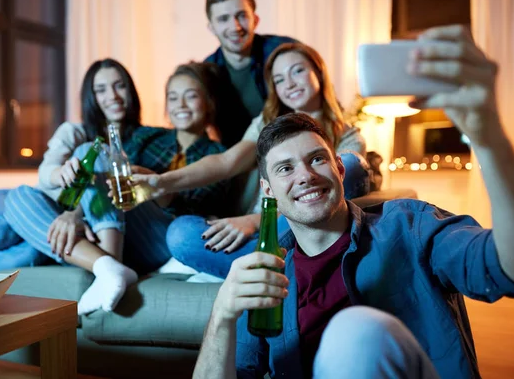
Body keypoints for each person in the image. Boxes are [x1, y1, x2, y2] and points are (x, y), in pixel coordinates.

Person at [192, 25, 514, 379]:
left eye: (317, 159)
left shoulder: (409, 225)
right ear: (268, 190)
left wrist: (488, 137)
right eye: (286, 168)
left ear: (339, 167)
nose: (305, 175)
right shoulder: (267, 275)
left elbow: (509, 269)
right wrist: (223, 312)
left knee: (356, 332)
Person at [8, 62, 229, 315]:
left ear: (208, 103)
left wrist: (155, 182)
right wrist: (75, 214)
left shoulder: (217, 157)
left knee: (93, 151)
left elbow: (194, 214)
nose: (180, 105)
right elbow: (107, 181)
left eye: (191, 96)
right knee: (18, 197)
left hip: (165, 234)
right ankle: (106, 267)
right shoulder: (147, 137)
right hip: (121, 228)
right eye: (173, 98)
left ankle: (108, 264)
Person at [144, 42, 369, 279]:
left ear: (319, 73)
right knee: (181, 233)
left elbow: (335, 192)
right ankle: (278, 268)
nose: (290, 83)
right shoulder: (267, 124)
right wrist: (160, 182)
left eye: (298, 71)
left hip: (298, 229)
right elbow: (226, 162)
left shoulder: (349, 137)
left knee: (353, 165)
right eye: (279, 79)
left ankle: (268, 267)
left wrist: (256, 220)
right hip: (256, 235)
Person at [0, 58, 141, 286]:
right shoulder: (75, 133)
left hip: (55, 223)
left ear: (130, 90)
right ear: (91, 97)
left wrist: (76, 215)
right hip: (28, 202)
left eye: (119, 85)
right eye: (101, 89)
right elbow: (46, 172)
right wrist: (61, 174)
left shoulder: (141, 142)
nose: (112, 96)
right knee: (1, 230)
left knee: (30, 253)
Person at [203, 0, 298, 147]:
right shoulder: (208, 72)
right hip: (241, 160)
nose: (235, 26)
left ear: (255, 19)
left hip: (291, 144)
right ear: (211, 28)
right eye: (223, 19)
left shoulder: (284, 52)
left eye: (241, 15)